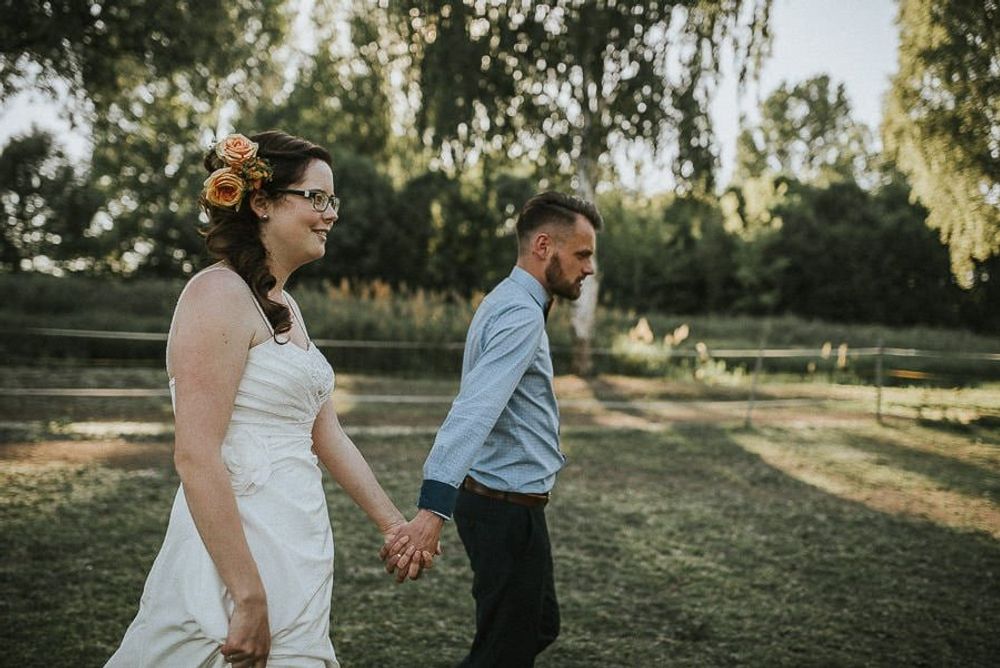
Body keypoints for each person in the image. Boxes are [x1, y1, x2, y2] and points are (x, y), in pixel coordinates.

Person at [106, 130, 429, 668]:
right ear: (260, 201)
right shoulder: (216, 295)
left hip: (295, 539)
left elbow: (325, 432)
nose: (330, 215)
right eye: (316, 199)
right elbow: (195, 455)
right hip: (235, 548)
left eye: (333, 202)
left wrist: (394, 525)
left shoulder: (286, 307)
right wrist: (248, 593)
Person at [382, 191, 602, 666]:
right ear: (545, 245)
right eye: (582, 254)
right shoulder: (520, 314)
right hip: (503, 507)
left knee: (539, 625)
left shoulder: (508, 300)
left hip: (507, 501)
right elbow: (474, 408)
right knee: (506, 651)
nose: (589, 268)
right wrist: (432, 508)